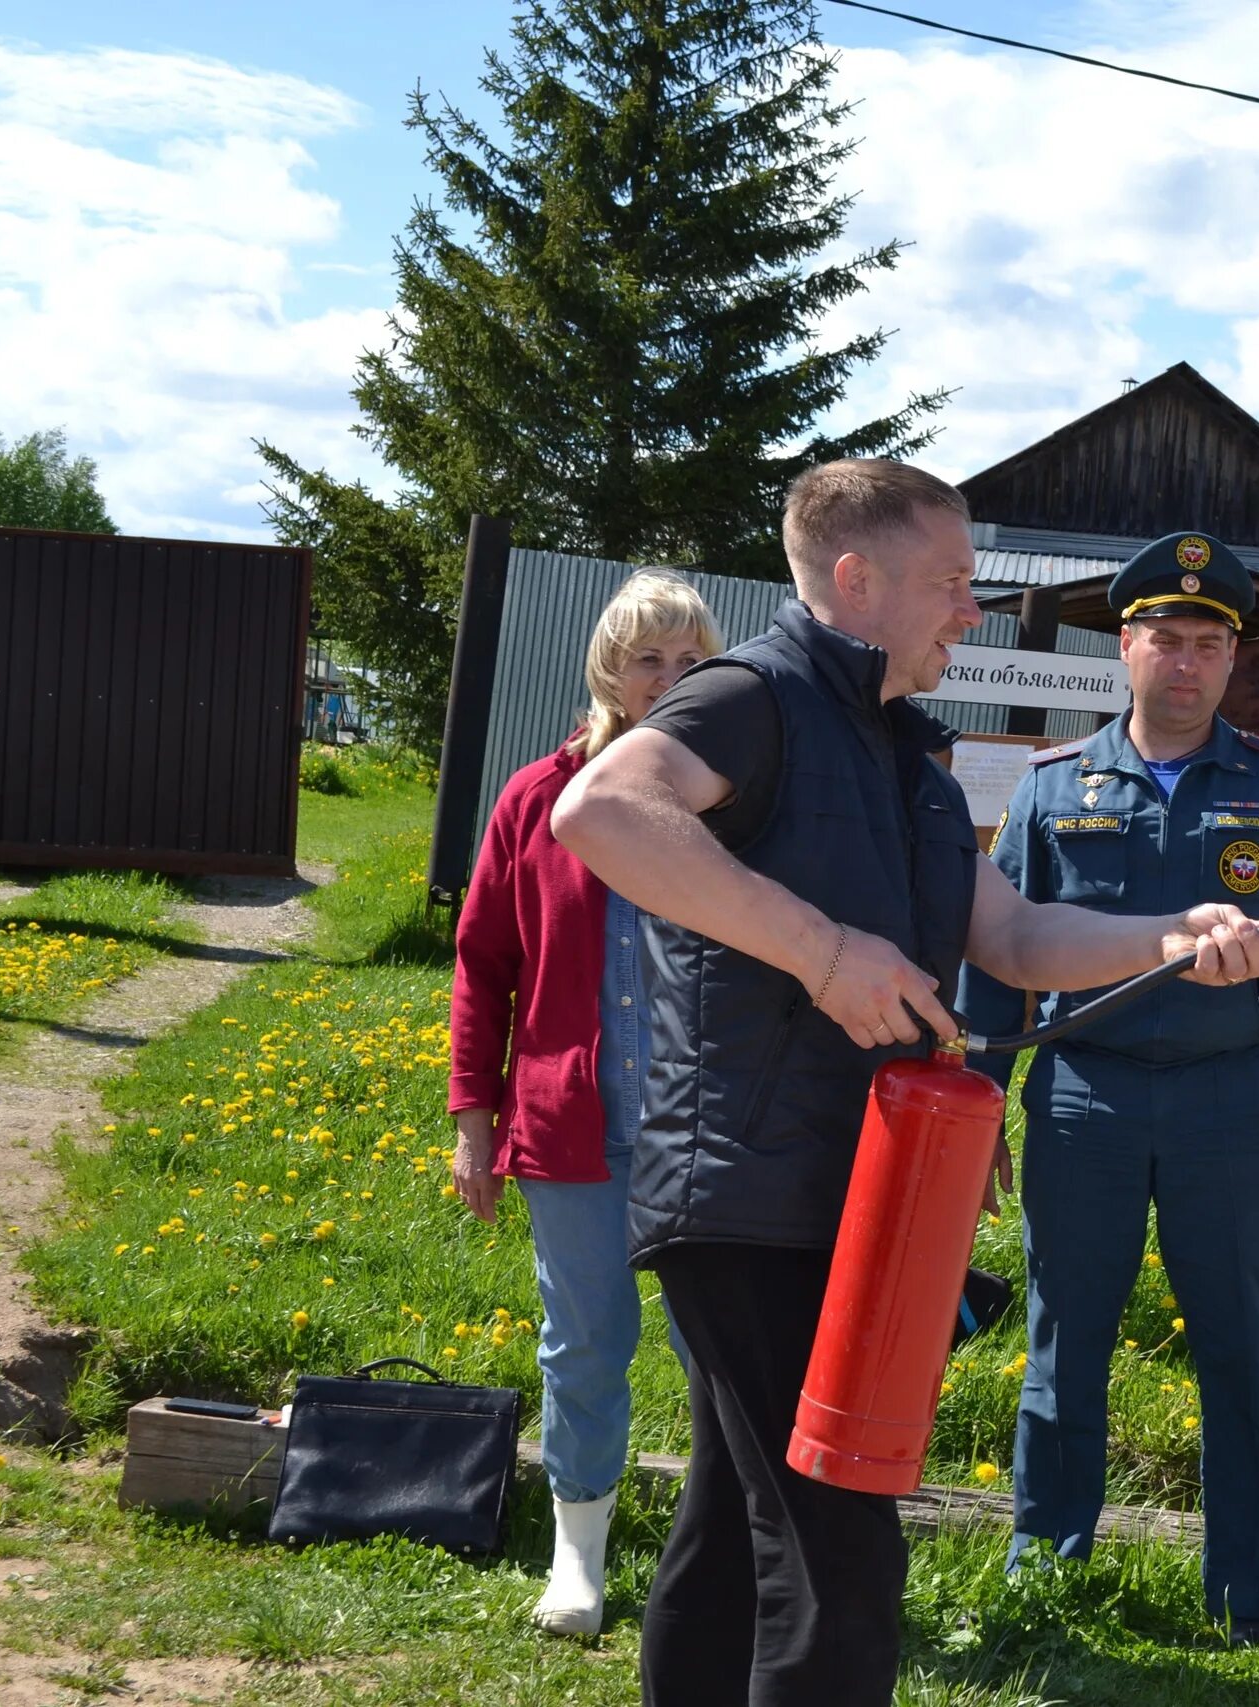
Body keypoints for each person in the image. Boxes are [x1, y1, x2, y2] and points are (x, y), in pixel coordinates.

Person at [551, 460, 1259, 1707]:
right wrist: (822, 950)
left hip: (851, 1184)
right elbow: (604, 808)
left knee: (740, 1520)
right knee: (837, 1542)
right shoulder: (758, 696)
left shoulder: (904, 751)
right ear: (858, 578)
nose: (973, 611)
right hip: (746, 1189)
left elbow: (1010, 940)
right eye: (953, 582)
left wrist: (1176, 939)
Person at [954, 531, 1259, 1646]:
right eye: (1163, 639)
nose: (1184, 662)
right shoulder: (1053, 792)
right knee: (1063, 1345)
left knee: (1237, 1348)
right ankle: (1045, 1570)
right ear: (1126, 649)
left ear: (1231, 662)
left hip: (1225, 1106)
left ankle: (1247, 1594)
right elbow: (996, 957)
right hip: (1082, 1103)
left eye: (1207, 643)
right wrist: (978, 1105)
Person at [448, 569, 718, 1638]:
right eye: (648, 658)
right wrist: (475, 1117)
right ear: (608, 668)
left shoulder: (736, 799)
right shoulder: (535, 796)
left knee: (722, 1348)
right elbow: (483, 962)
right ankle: (579, 1561)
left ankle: (722, 1560)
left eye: (690, 658)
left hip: (708, 1130)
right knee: (586, 1341)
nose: (668, 678)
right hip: (573, 1120)